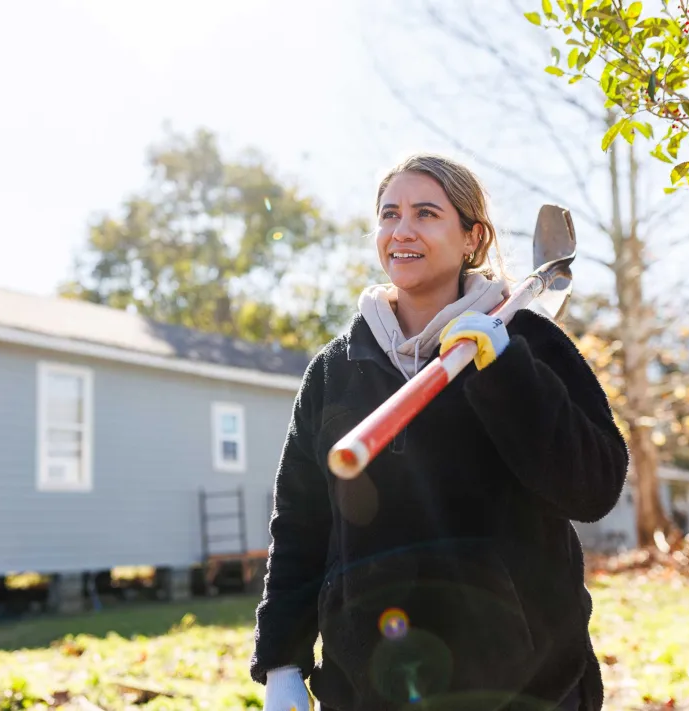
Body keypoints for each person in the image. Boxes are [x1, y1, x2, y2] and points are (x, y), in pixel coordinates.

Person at [249, 153, 629, 711]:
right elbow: (301, 526)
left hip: (526, 684)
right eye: (389, 214)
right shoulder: (334, 371)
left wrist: (506, 373)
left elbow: (593, 489)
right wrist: (283, 661)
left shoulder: (530, 344)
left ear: (472, 237)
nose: (401, 231)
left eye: (426, 213)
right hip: (369, 688)